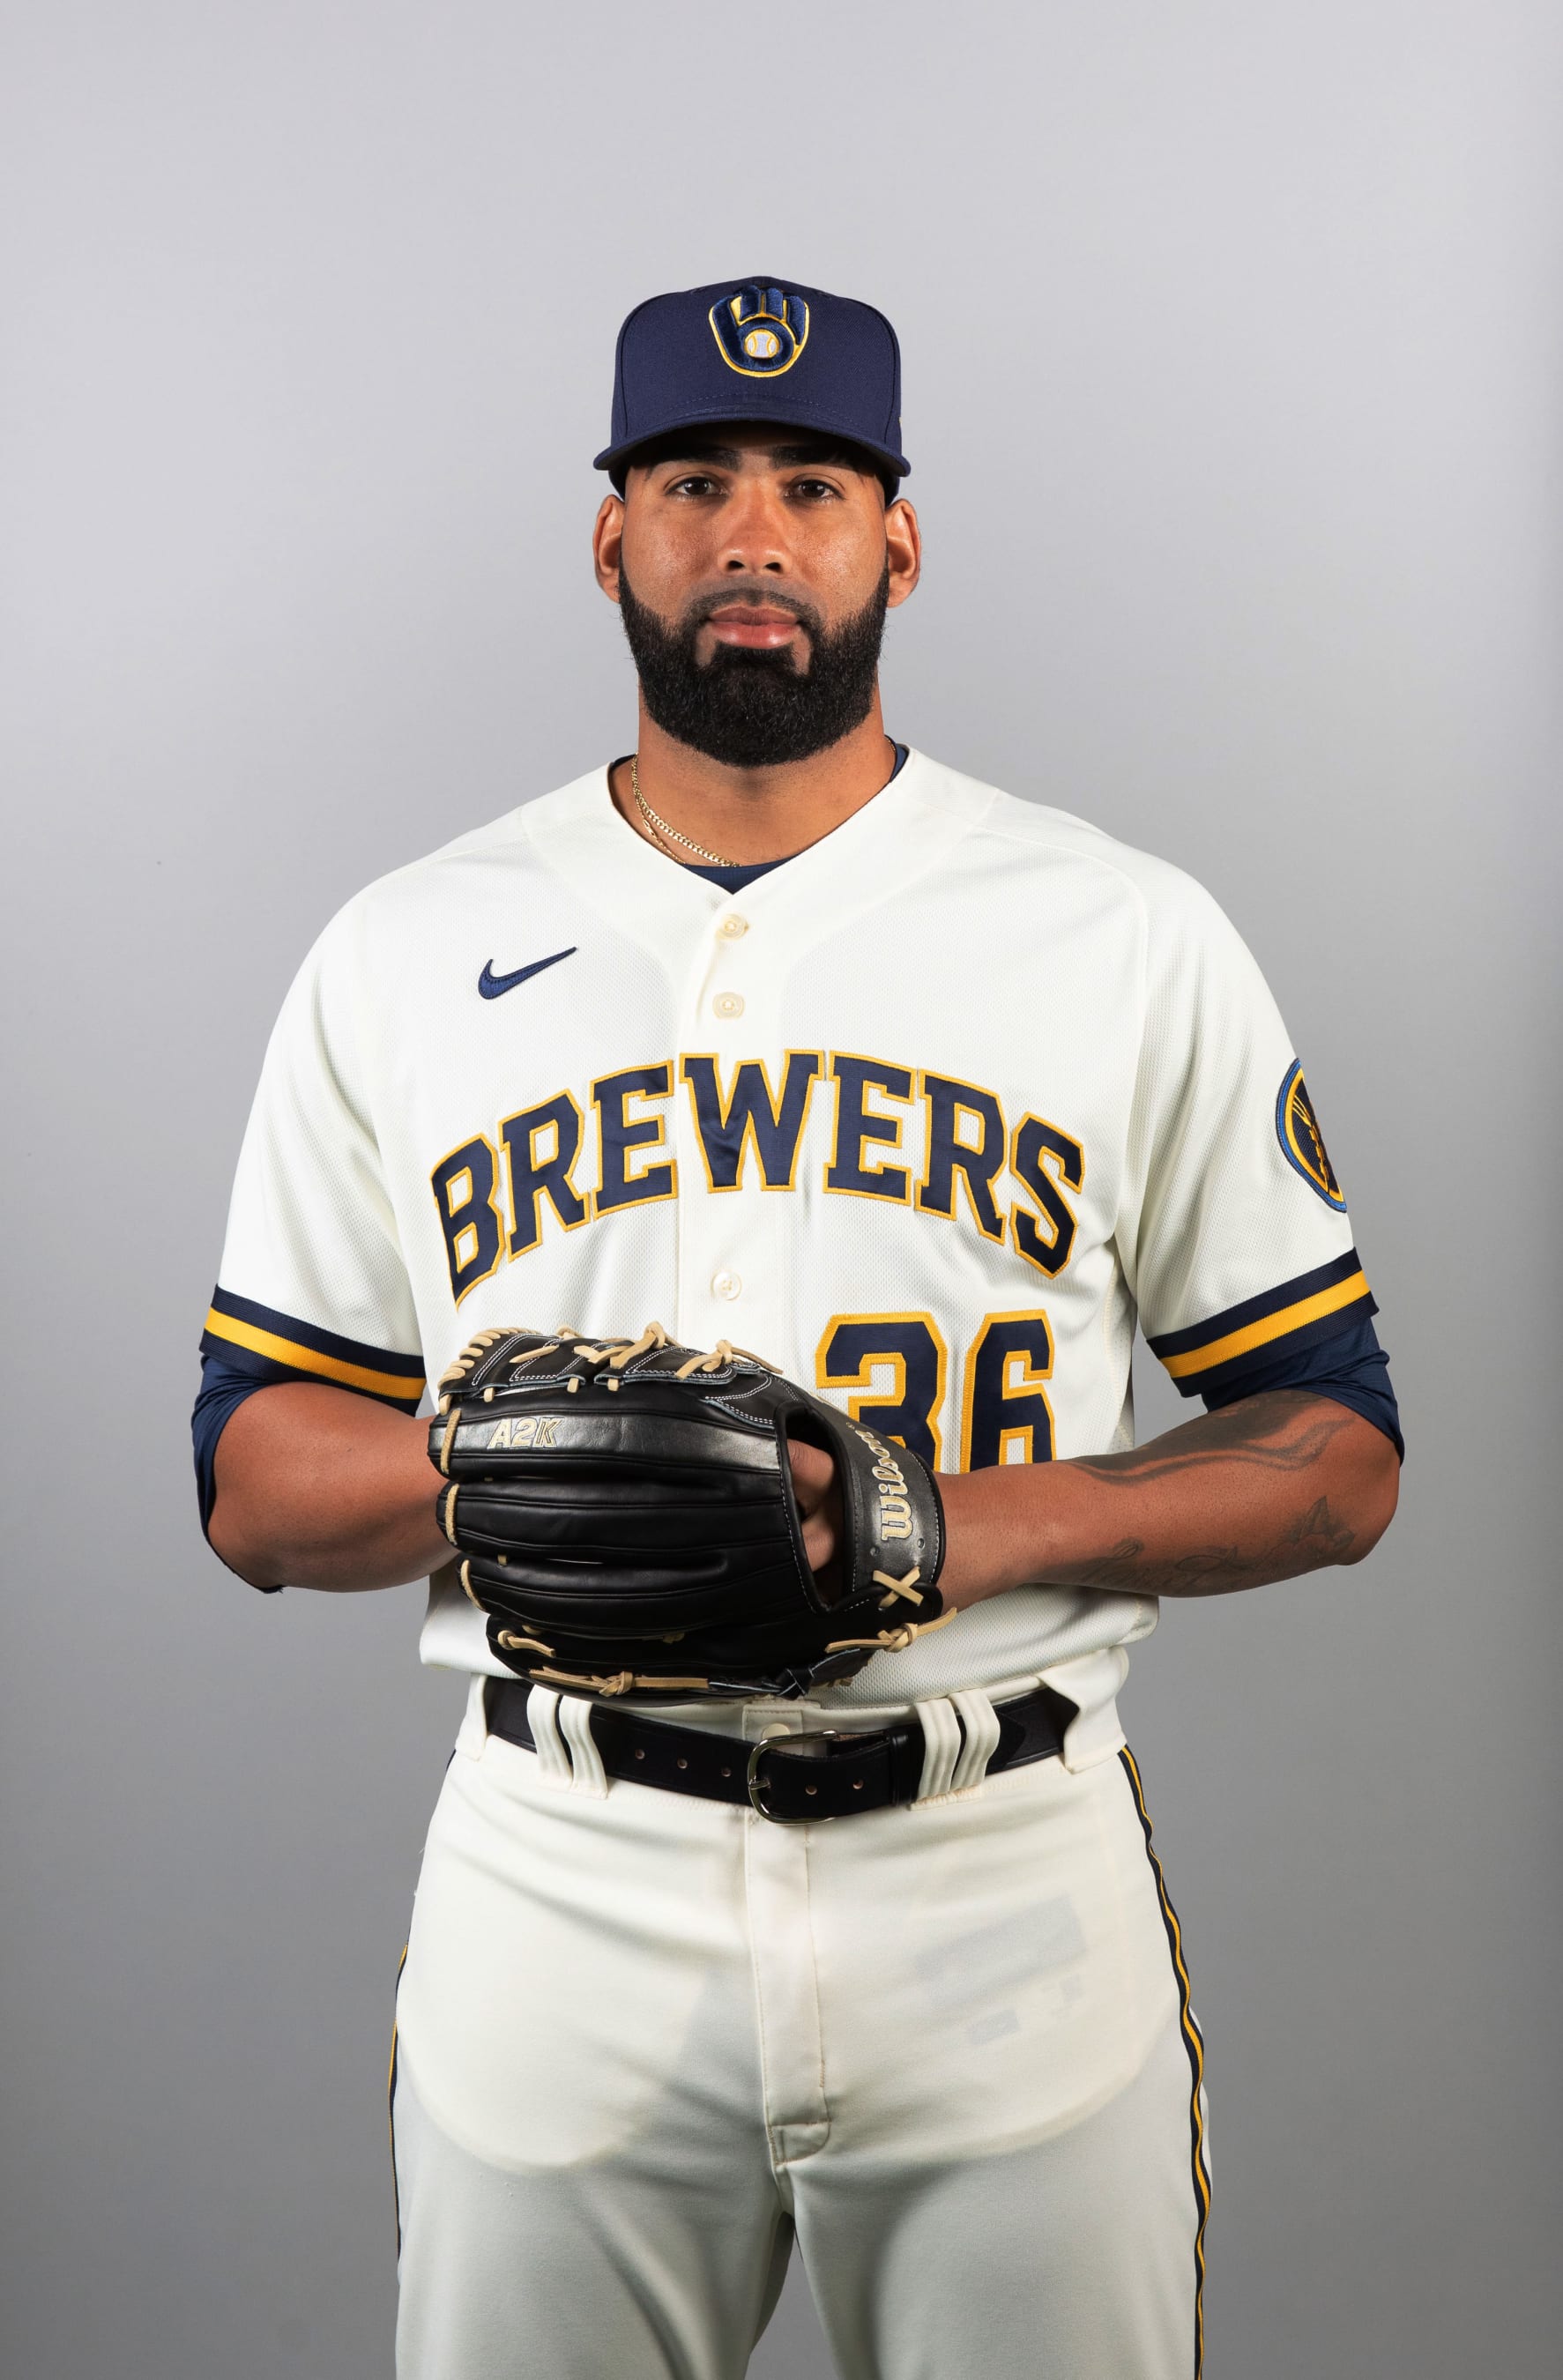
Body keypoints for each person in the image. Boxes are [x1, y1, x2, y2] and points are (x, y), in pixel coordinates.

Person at [195, 277, 1402, 2380]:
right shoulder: (405, 949)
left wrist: (957, 1523)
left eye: (811, 482)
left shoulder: (1118, 931)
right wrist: (523, 1477)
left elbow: (1333, 1448)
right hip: (562, 1875)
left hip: (1001, 1866)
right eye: (691, 479)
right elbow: (252, 1477)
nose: (750, 531)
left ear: (895, 544)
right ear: (611, 539)